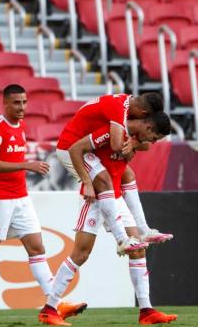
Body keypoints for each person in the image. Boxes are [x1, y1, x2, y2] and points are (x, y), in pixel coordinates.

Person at [0, 85, 85, 323]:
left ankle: (54, 303)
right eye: (17, 103)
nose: (22, 108)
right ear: (5, 103)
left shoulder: (21, 127)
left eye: (25, 102)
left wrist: (24, 168)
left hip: (21, 197)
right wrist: (27, 165)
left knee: (37, 247)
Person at [39, 113, 177, 326]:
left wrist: (135, 144)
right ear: (146, 125)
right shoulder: (110, 132)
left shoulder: (134, 139)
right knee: (81, 254)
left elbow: (136, 157)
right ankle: (50, 308)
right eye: (153, 137)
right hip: (95, 198)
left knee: (138, 248)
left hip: (116, 197)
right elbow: (76, 148)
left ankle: (146, 311)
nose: (151, 143)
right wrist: (86, 181)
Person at [56, 93, 166, 255]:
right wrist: (87, 183)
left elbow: (145, 144)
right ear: (144, 114)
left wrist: (133, 143)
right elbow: (116, 145)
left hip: (88, 147)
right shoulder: (119, 108)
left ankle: (142, 230)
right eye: (146, 121)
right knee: (104, 180)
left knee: (128, 175)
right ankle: (121, 239)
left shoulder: (129, 107)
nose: (144, 124)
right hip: (71, 147)